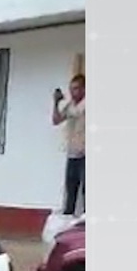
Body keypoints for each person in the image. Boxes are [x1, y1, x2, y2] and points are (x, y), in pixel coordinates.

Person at [51, 74, 86, 216]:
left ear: (84, 89)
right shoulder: (70, 105)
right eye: (71, 89)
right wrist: (56, 103)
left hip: (86, 153)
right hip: (72, 152)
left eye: (77, 88)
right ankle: (68, 219)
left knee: (87, 189)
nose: (73, 92)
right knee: (71, 188)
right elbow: (56, 120)